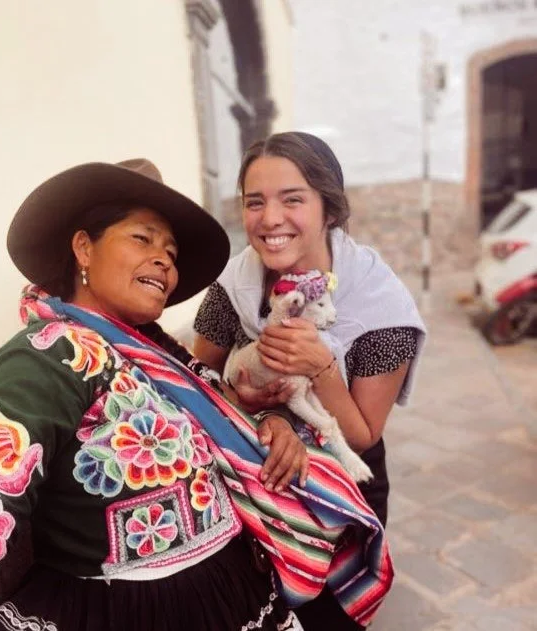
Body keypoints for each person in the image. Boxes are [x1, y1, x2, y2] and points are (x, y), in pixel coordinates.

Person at [0, 158, 391, 631]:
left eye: (171, 253)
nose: (163, 259)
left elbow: (223, 412)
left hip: (231, 594)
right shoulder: (47, 357)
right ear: (84, 248)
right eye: (142, 238)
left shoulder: (161, 354)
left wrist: (272, 422)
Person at [193, 132, 426, 629]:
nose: (270, 219)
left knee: (325, 619)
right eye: (255, 202)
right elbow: (198, 383)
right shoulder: (233, 288)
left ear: (330, 209)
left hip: (338, 489)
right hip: (252, 483)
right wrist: (245, 401)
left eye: (292, 199)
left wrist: (320, 367)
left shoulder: (381, 308)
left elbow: (363, 435)